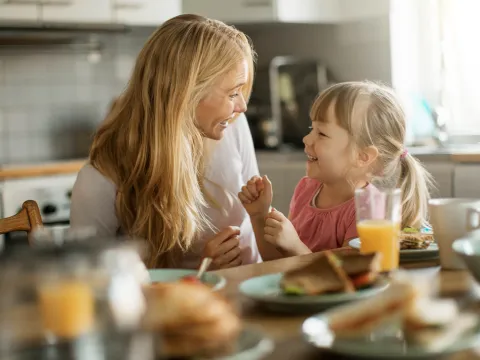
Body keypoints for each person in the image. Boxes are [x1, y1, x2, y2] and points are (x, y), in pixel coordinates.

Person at [70, 14, 261, 269]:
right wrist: (201, 272)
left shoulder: (233, 127)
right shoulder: (100, 179)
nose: (242, 106)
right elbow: (91, 285)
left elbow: (256, 219)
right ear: (187, 92)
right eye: (233, 93)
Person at [239, 81, 434, 261]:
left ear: (362, 156)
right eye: (311, 128)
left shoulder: (368, 210)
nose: (307, 139)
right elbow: (276, 262)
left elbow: (347, 279)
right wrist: (259, 216)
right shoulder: (306, 189)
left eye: (321, 133)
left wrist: (295, 247)